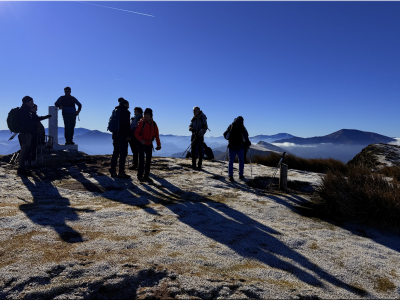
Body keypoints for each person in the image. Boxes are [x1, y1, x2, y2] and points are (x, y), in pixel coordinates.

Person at [135, 108, 161, 182]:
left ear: (151, 115)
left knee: (148, 161)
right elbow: (136, 133)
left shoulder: (154, 124)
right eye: (145, 114)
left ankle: (146, 175)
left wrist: (158, 144)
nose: (146, 116)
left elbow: (156, 135)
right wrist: (141, 140)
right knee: (141, 160)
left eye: (147, 114)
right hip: (141, 144)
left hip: (149, 144)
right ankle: (140, 176)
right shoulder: (141, 122)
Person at [109, 98, 133, 179]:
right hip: (123, 136)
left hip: (115, 135)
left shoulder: (116, 111)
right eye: (128, 104)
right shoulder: (126, 112)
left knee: (115, 153)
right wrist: (128, 135)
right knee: (123, 154)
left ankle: (113, 171)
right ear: (125, 104)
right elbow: (126, 125)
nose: (129, 106)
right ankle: (121, 172)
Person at [223, 116, 251, 181]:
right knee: (241, 161)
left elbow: (226, 135)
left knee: (231, 161)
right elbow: (246, 136)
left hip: (231, 146)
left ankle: (230, 176)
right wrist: (248, 142)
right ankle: (241, 175)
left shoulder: (231, 126)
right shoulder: (242, 127)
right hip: (240, 146)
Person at [17, 96, 35, 175]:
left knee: (25, 150)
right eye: (31, 102)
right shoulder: (25, 111)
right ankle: (21, 168)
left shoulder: (24, 110)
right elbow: (27, 123)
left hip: (24, 132)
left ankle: (22, 167)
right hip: (26, 133)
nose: (33, 103)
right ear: (28, 102)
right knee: (25, 150)